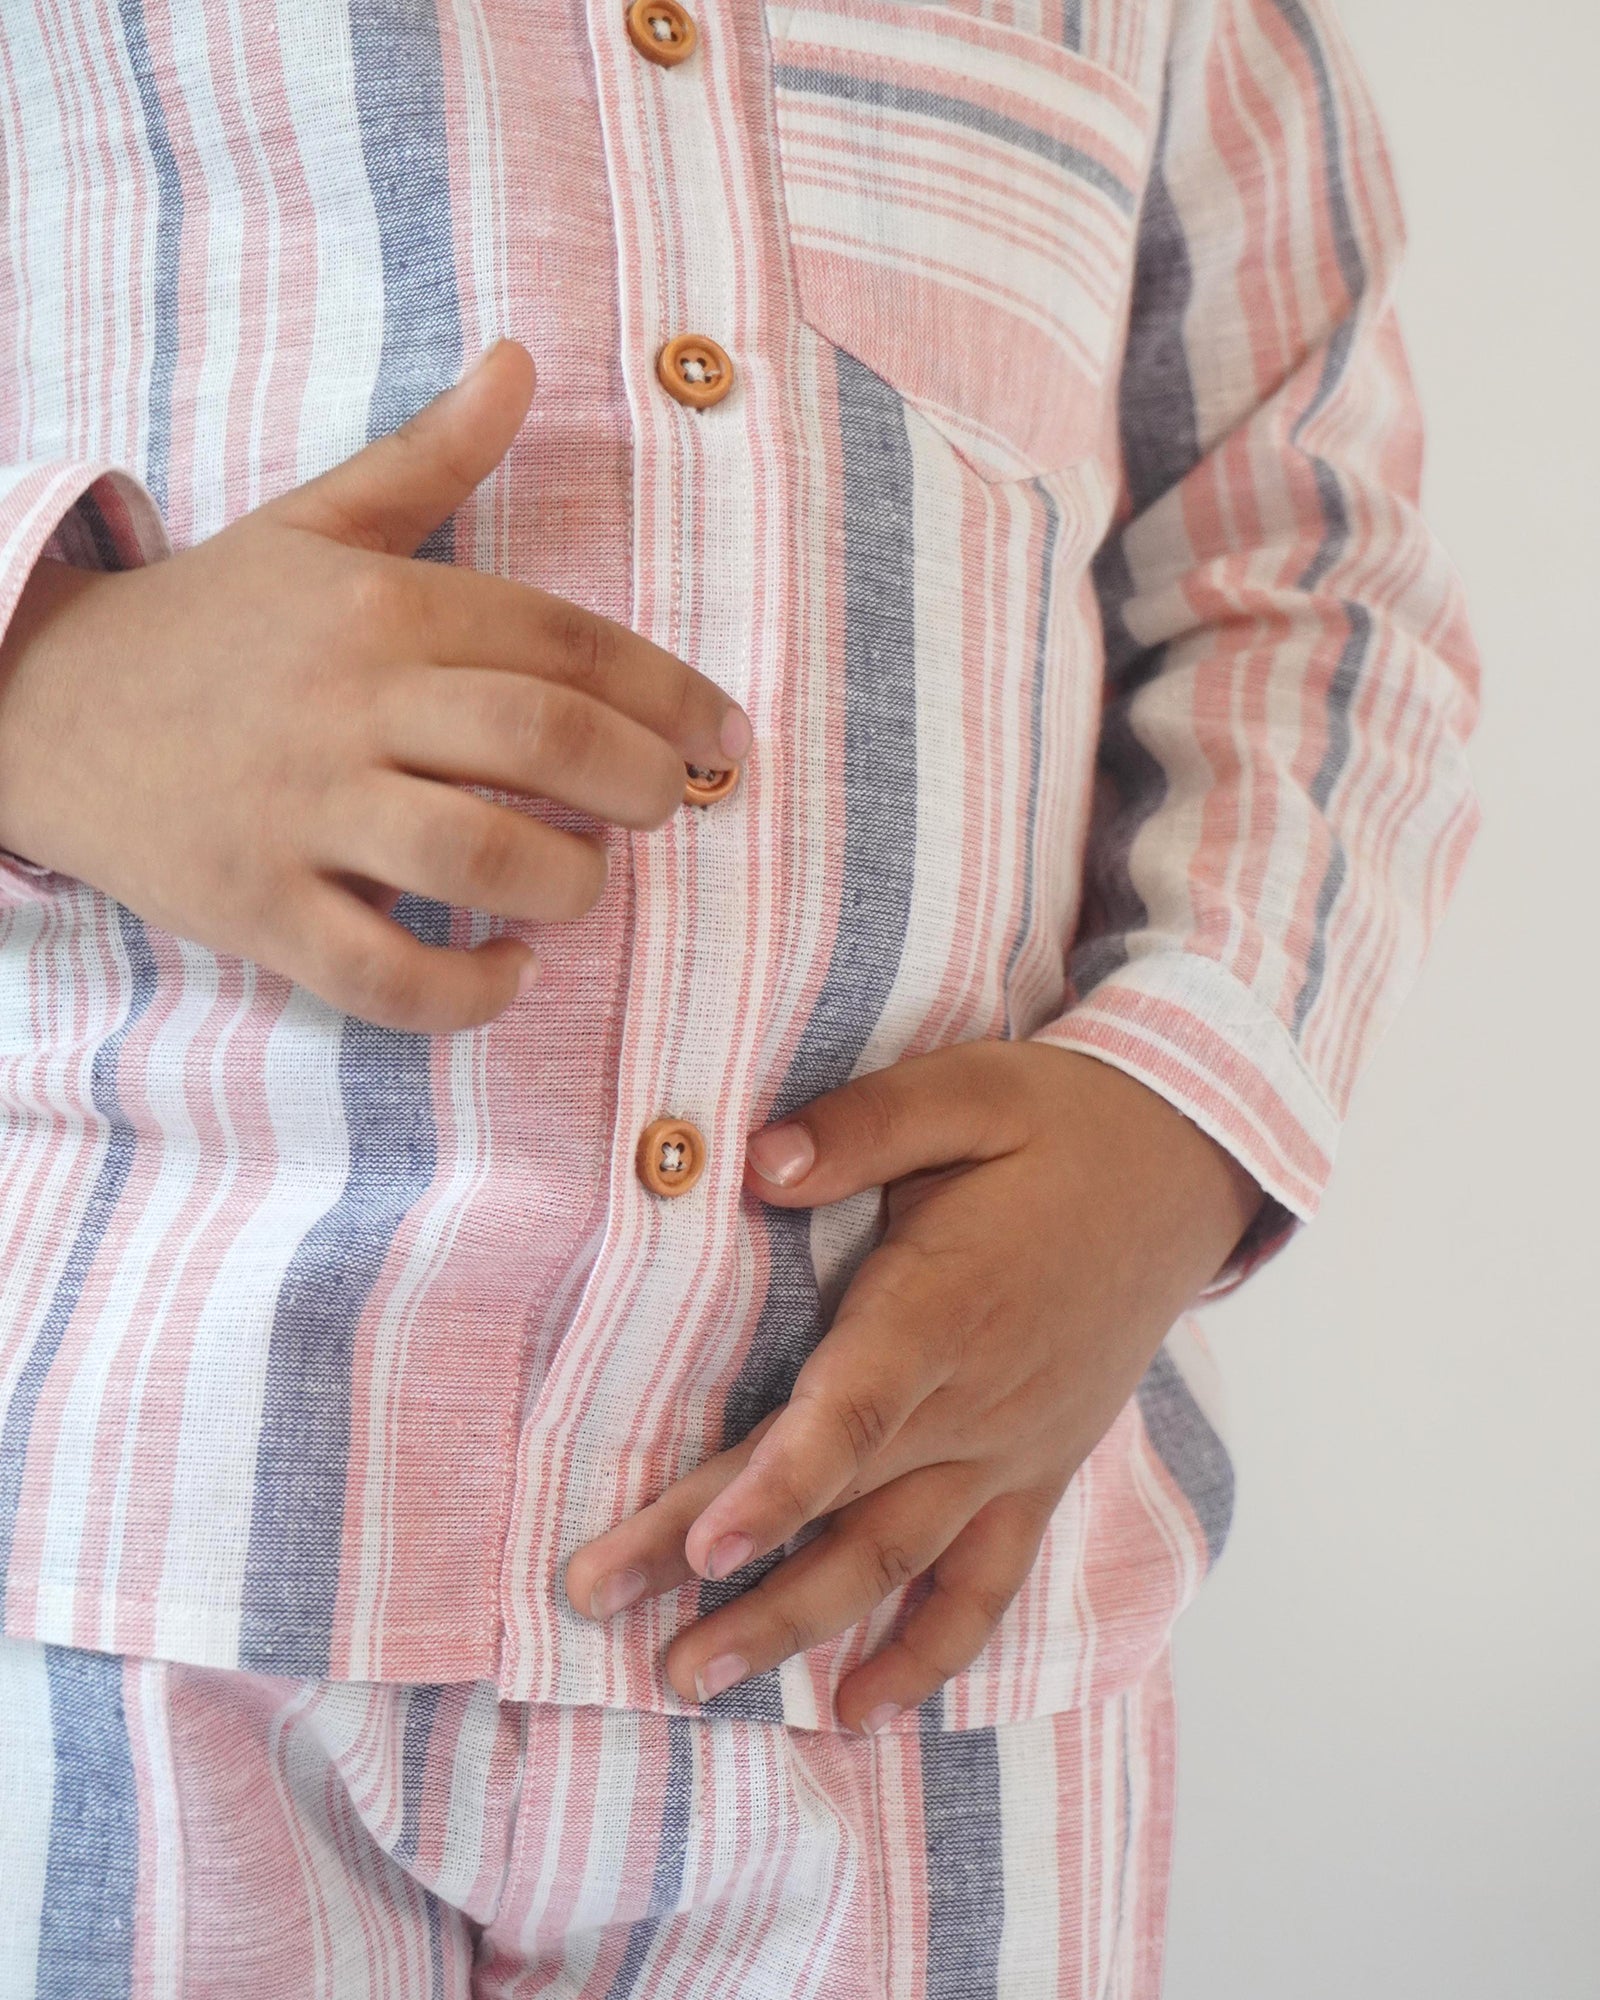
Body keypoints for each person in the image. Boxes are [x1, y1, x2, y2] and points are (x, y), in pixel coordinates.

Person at [0, 0, 1480, 1991]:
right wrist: (54, 687)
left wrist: (1180, 1117)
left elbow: (1306, 569)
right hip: (139, 1548)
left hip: (924, 1614)